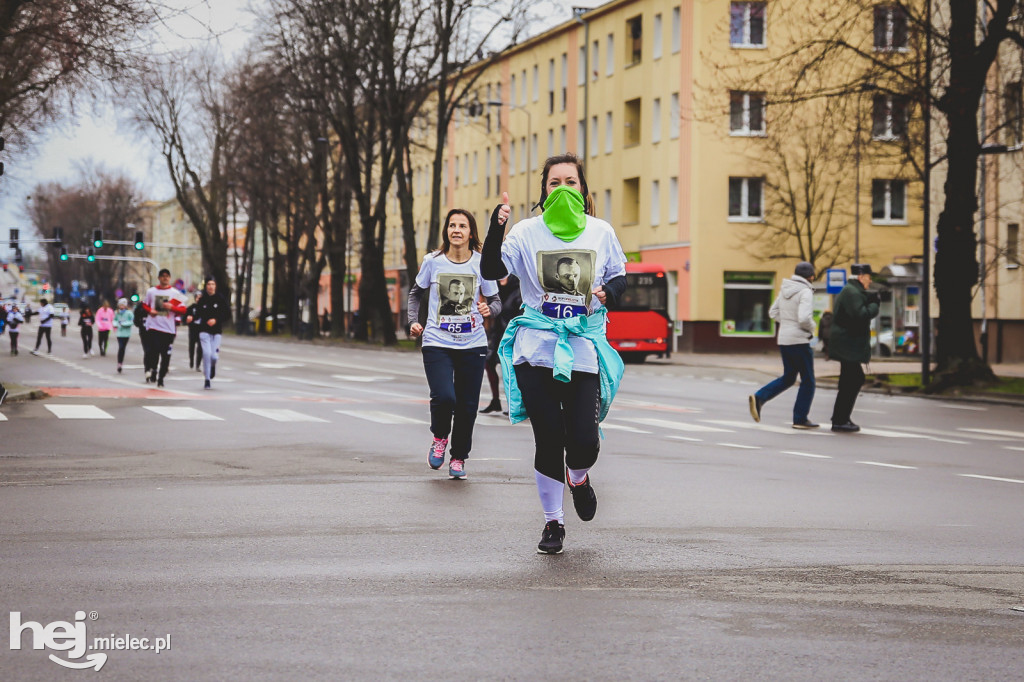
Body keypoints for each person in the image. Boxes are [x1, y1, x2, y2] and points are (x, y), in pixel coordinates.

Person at [481, 153, 628, 555]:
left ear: (583, 189)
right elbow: (494, 268)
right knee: (548, 439)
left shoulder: (600, 232)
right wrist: (496, 228)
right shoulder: (527, 232)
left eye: (570, 182)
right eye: (554, 183)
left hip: (582, 350)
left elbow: (618, 275)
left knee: (583, 441)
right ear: (543, 191)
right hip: (536, 349)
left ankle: (578, 478)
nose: (562, 189)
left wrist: (608, 293)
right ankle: (553, 522)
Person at [408, 208, 500, 480]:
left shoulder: (482, 264)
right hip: (437, 340)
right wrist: (413, 321)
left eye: (462, 225)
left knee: (467, 405)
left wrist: (489, 312)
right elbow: (415, 294)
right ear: (446, 231)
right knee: (445, 396)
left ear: (471, 232)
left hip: (472, 343)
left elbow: (495, 302)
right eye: (452, 225)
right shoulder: (433, 261)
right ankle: (439, 437)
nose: (456, 230)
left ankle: (459, 457)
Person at [748, 262, 819, 429]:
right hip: (799, 340)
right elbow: (803, 318)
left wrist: (787, 324)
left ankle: (760, 398)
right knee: (808, 380)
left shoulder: (786, 289)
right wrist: (812, 328)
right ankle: (800, 418)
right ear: (811, 276)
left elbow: (773, 312)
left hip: (784, 340)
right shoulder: (805, 291)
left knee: (789, 377)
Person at [828, 263, 880, 433]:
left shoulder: (852, 291)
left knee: (850, 380)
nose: (870, 281)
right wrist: (874, 305)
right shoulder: (852, 292)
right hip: (847, 345)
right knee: (854, 379)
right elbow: (860, 315)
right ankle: (840, 419)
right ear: (860, 276)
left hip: (846, 344)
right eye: (868, 277)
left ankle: (840, 418)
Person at [480, 275, 522, 414]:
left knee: (510, 370)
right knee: (489, 362)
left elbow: (520, 312)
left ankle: (517, 405)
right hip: (497, 333)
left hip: (511, 334)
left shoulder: (518, 288)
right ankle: (495, 400)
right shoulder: (495, 287)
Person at [142, 268, 188, 388]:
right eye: (162, 276)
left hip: (168, 329)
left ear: (170, 278)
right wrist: (150, 310)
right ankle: (154, 370)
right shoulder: (151, 292)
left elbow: (183, 310)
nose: (165, 278)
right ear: (159, 278)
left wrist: (172, 307)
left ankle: (161, 378)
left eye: (167, 276)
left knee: (166, 355)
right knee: (154, 352)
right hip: (154, 327)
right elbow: (144, 305)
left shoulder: (175, 293)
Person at [194, 277, 230, 390]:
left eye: (213, 284)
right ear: (206, 286)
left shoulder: (220, 299)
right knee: (207, 353)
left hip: (216, 332)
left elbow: (227, 314)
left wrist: (216, 320)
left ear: (215, 286)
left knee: (214, 356)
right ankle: (207, 379)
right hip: (204, 331)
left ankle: (212, 366)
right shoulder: (202, 299)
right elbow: (197, 314)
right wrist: (189, 317)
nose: (210, 286)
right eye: (209, 284)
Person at [113, 298, 134, 373]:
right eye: (120, 305)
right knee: (121, 347)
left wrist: (124, 324)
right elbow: (114, 320)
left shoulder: (129, 313)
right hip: (119, 333)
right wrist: (116, 324)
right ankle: (119, 363)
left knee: (123, 348)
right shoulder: (117, 312)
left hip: (126, 333)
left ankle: (120, 362)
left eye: (123, 305)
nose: (121, 306)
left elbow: (131, 322)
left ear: (125, 305)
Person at [133, 299, 153, 377]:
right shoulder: (140, 306)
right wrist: (140, 324)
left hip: (155, 332)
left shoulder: (156, 305)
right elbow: (136, 319)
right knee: (147, 351)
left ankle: (153, 367)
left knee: (154, 351)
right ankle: (147, 369)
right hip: (144, 331)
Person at [185, 292, 203, 372]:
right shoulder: (191, 307)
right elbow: (185, 316)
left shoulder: (204, 307)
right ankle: (191, 360)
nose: (199, 299)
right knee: (191, 346)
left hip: (201, 330)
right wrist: (187, 319)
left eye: (200, 297)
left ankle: (198, 364)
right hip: (193, 329)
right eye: (197, 297)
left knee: (200, 348)